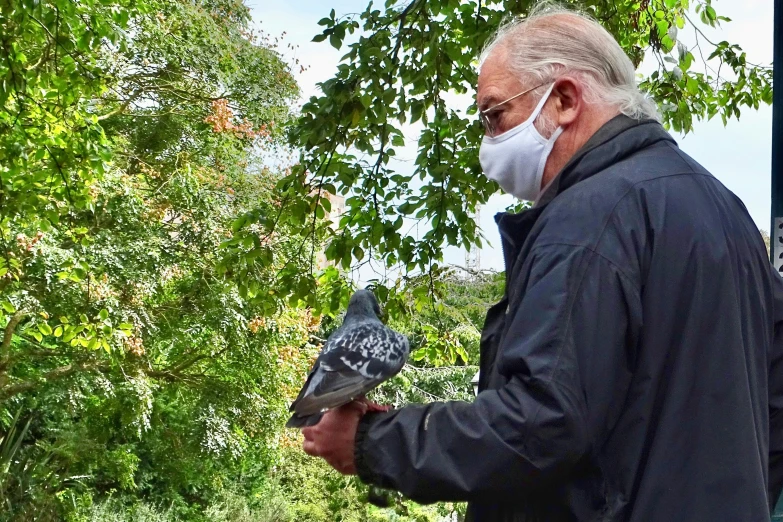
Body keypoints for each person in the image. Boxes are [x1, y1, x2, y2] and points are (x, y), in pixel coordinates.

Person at [301, 5, 783, 521]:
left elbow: (540, 423)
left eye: (494, 115)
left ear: (566, 99)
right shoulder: (726, 209)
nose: (488, 142)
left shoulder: (590, 219)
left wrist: (373, 441)